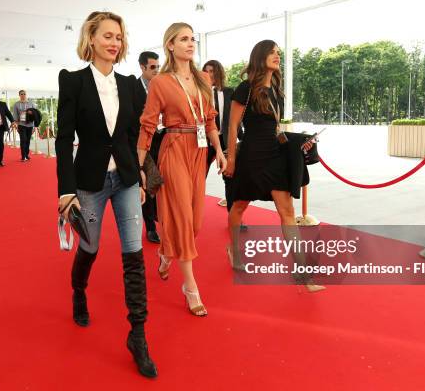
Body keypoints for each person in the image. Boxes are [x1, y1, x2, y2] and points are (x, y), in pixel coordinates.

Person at [55, 11, 157, 378]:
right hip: (89, 183)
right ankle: (78, 290)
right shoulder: (74, 81)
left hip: (126, 180)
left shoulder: (130, 84)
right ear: (92, 39)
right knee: (90, 246)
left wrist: (142, 176)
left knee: (134, 254)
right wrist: (66, 191)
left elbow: (131, 137)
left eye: (119, 36)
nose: (115, 42)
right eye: (108, 36)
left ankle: (138, 335)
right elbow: (64, 139)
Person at [137, 22, 227, 317]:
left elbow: (211, 120)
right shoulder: (160, 82)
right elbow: (148, 124)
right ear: (170, 46)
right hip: (173, 148)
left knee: (196, 221)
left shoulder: (203, 78)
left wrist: (219, 150)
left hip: (199, 151)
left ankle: (165, 251)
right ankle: (190, 287)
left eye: (192, 39)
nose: (190, 44)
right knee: (183, 217)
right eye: (183, 39)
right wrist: (139, 165)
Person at [223, 40, 324, 293]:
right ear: (260, 57)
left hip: (275, 155)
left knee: (287, 211)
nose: (277, 56)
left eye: (278, 52)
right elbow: (233, 126)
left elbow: (276, 126)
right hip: (251, 156)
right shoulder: (245, 88)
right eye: (272, 52)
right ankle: (234, 251)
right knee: (239, 205)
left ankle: (302, 272)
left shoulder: (277, 90)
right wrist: (232, 159)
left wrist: (299, 140)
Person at [202, 59, 243, 209]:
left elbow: (236, 118)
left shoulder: (229, 92)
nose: (208, 74)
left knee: (230, 177)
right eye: (206, 71)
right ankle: (193, 213)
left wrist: (241, 136)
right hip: (204, 140)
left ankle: (232, 214)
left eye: (212, 71)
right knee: (200, 177)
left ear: (218, 72)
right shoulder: (199, 92)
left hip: (225, 139)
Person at [134, 51, 162, 244]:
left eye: (158, 67)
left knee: (162, 184)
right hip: (142, 144)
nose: (156, 70)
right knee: (148, 183)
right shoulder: (133, 88)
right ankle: (150, 227)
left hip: (162, 141)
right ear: (142, 67)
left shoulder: (161, 87)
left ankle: (161, 220)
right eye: (152, 67)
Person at [12, 90, 36, 161]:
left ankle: (27, 154)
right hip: (21, 124)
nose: (23, 95)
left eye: (24, 94)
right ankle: (23, 156)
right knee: (23, 140)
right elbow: (15, 115)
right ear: (19, 95)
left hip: (30, 124)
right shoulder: (16, 104)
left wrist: (34, 126)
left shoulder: (31, 103)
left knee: (28, 140)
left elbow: (35, 114)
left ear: (26, 95)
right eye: (21, 94)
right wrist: (16, 125)